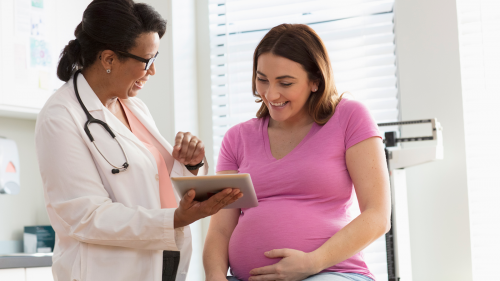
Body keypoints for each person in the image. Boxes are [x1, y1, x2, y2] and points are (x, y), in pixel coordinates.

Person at [35, 1, 242, 281]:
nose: (152, 71)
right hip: (108, 271)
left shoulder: (133, 106)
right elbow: (85, 217)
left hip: (164, 260)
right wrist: (175, 219)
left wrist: (191, 165)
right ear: (109, 59)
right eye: (147, 61)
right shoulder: (60, 116)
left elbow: (158, 183)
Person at [203, 24, 391, 281]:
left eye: (286, 82)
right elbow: (220, 231)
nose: (271, 94)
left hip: (330, 272)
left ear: (315, 80)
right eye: (262, 79)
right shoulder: (237, 138)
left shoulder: (350, 118)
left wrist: (312, 262)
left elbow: (378, 216)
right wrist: (215, 277)